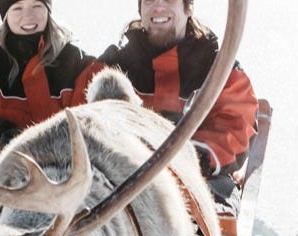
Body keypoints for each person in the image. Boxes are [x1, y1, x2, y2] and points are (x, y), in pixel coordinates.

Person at [99, 0, 258, 202]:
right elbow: (87, 118)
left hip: (201, 182)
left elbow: (236, 127)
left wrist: (193, 157)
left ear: (188, 7)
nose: (158, 6)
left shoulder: (218, 70)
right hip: (126, 181)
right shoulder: (115, 66)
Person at [0, 0, 101, 183]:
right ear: (5, 15)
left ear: (48, 11)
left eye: (36, 6)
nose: (28, 16)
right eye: (17, 8)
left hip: (70, 181)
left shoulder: (76, 64)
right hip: (9, 184)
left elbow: (98, 117)